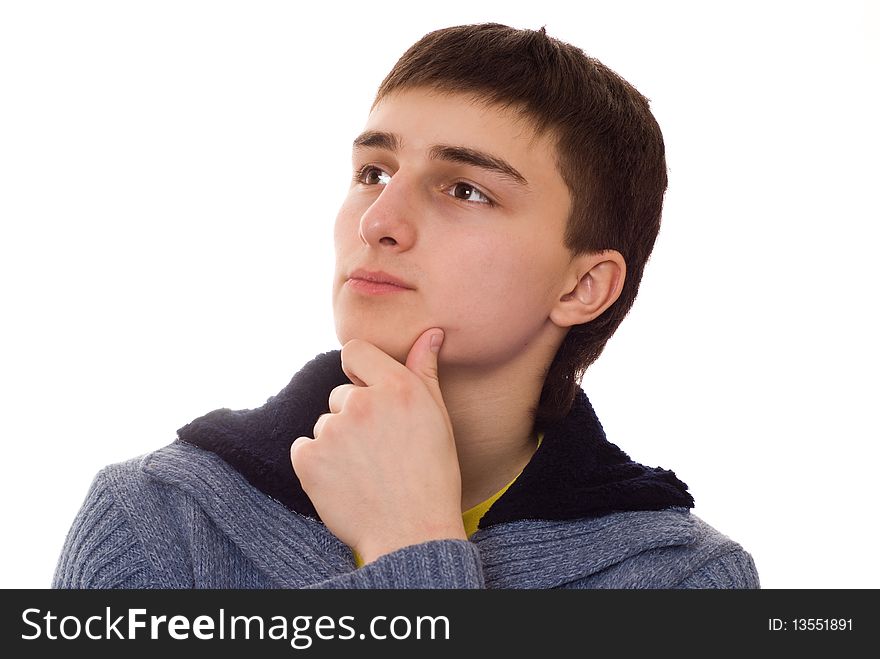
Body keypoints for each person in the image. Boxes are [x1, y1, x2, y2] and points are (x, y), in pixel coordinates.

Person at [53, 23, 759, 589]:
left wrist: (408, 541)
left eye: (464, 190)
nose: (379, 220)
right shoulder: (153, 517)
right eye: (373, 172)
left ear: (583, 287)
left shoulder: (687, 580)